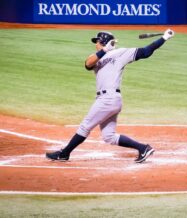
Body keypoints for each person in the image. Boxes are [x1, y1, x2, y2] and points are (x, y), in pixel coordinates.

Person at [46, 29, 175, 163]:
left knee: (85, 126)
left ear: (102, 41)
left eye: (96, 41)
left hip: (109, 99)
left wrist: (164, 38)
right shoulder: (97, 56)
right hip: (107, 100)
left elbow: (145, 52)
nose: (95, 44)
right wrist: (104, 50)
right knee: (109, 136)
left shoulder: (120, 53)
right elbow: (87, 64)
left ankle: (64, 154)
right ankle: (143, 148)